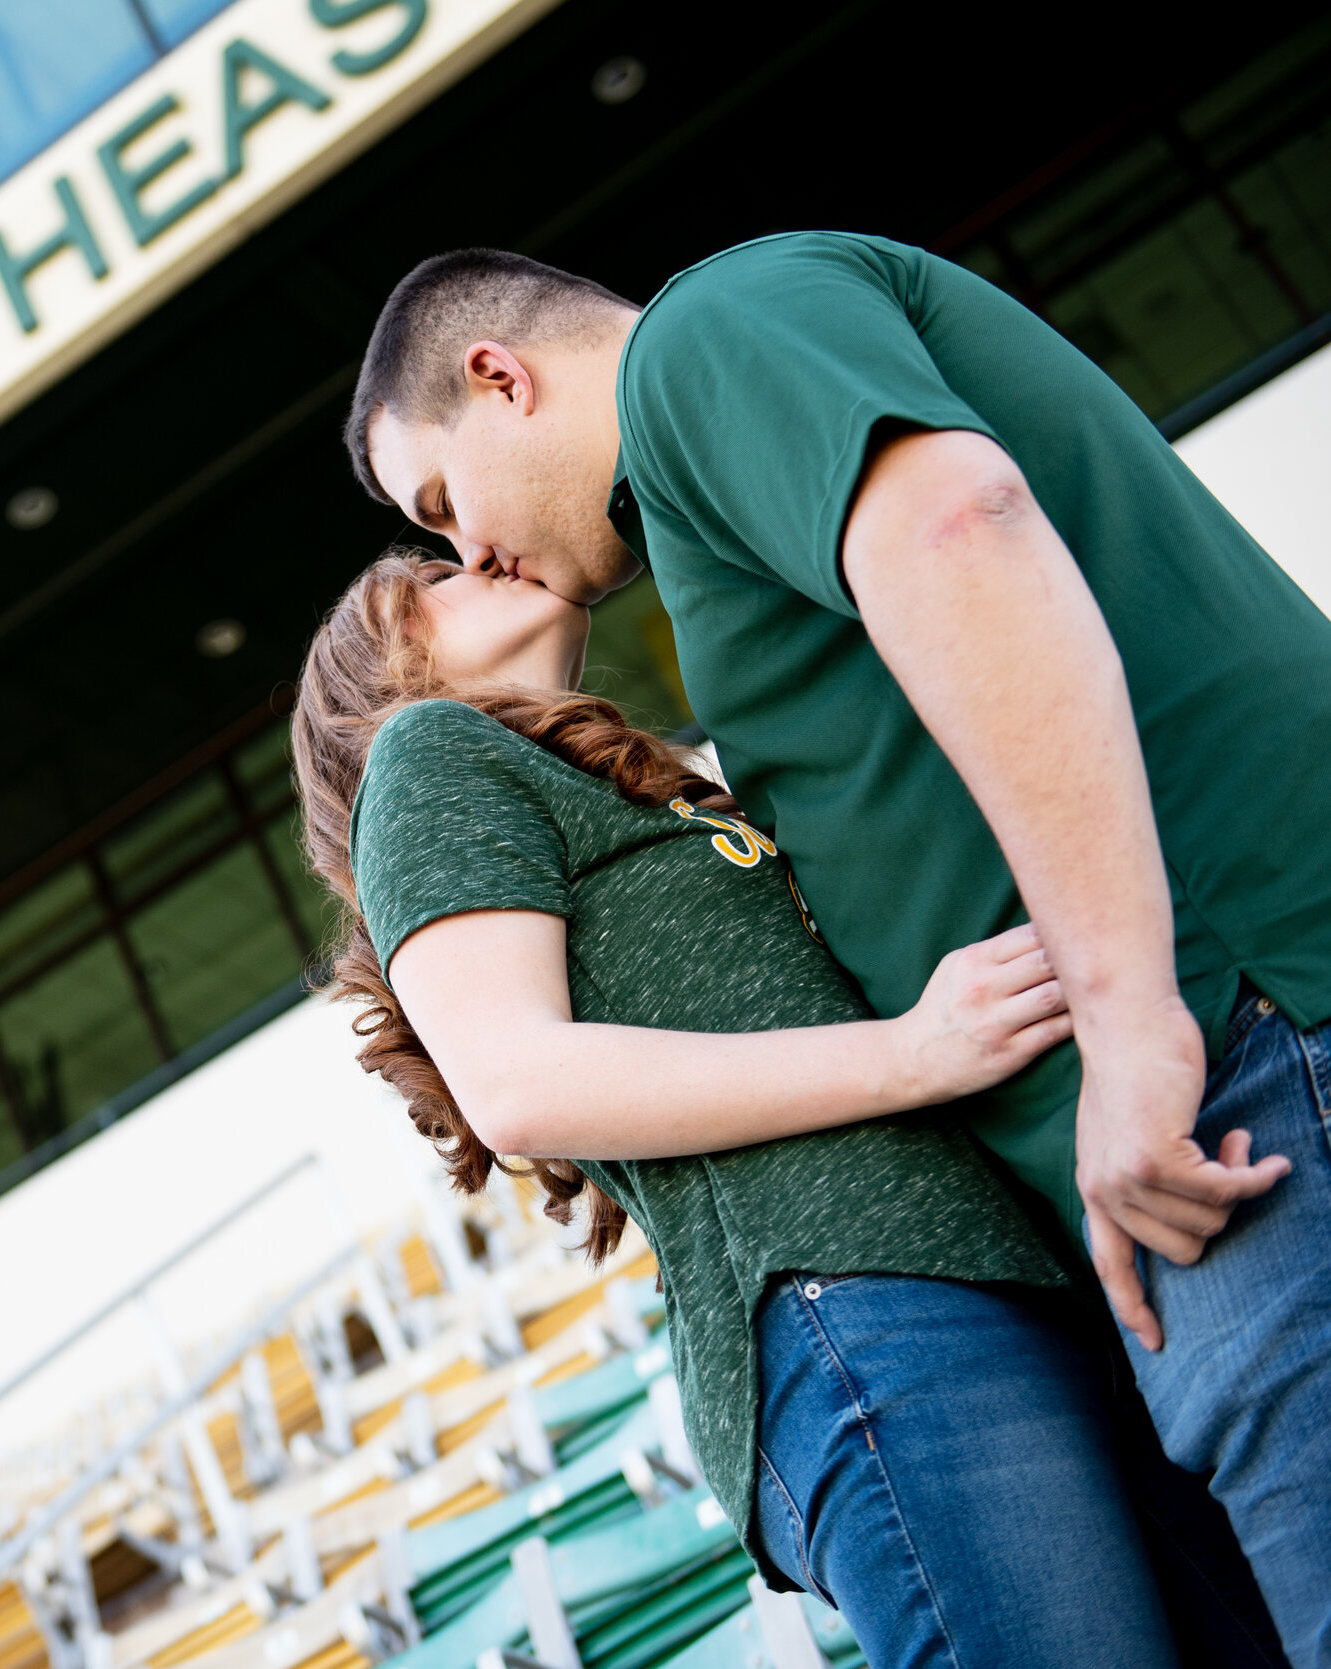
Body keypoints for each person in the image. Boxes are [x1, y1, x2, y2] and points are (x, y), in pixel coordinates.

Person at [341, 236, 1331, 1663]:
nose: (469, 548)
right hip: (1163, 1136)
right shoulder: (665, 557)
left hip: (1230, 1050)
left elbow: (954, 529)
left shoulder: (699, 349)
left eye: (444, 501)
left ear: (500, 377)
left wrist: (1127, 1020)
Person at [293, 548, 1180, 1668]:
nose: (480, 553)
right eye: (435, 569)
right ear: (390, 666)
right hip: (856, 1307)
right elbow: (519, 1084)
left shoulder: (622, 777)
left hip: (987, 1281)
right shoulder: (425, 751)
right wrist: (913, 1052)